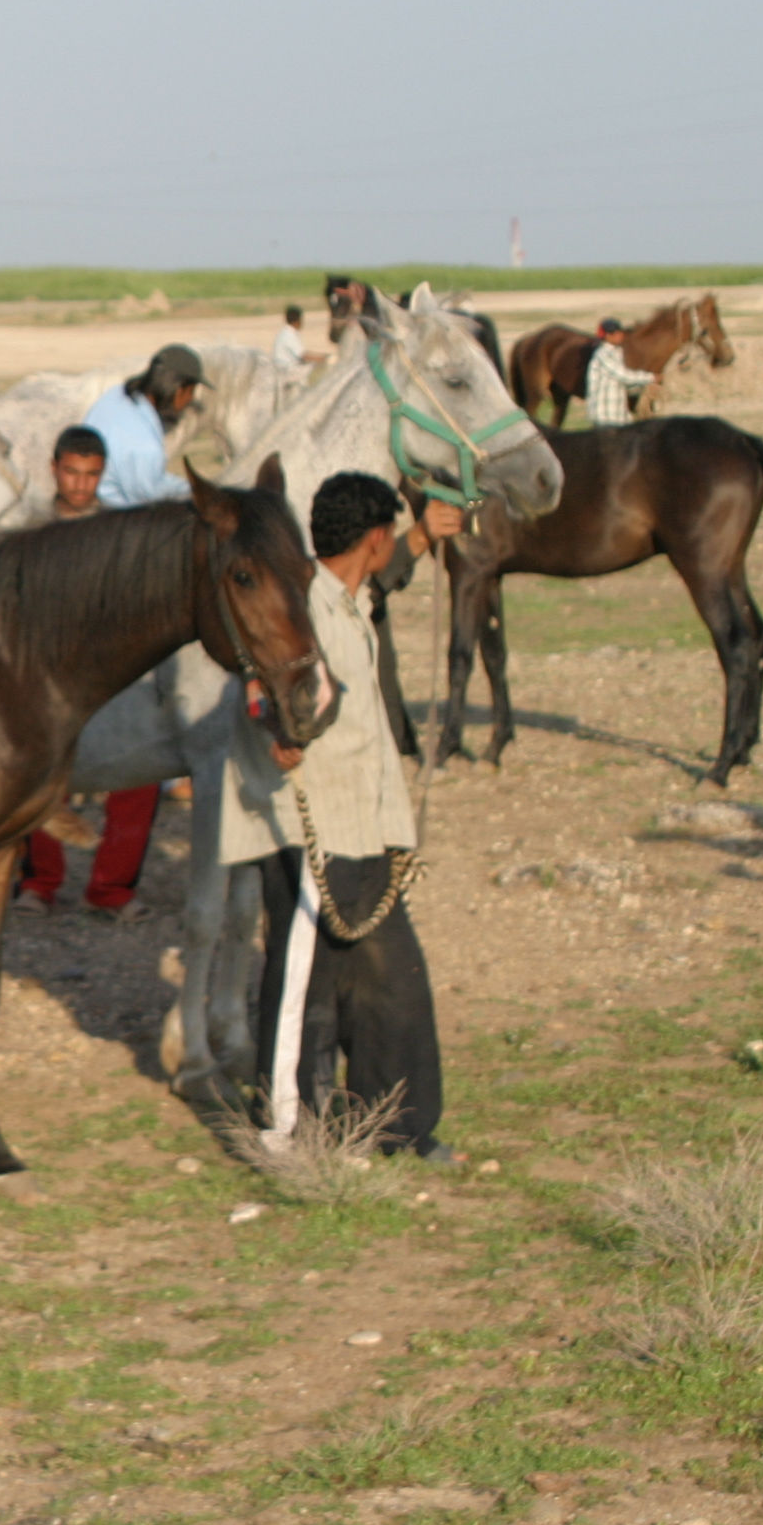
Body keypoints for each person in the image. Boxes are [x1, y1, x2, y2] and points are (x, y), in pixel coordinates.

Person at [218, 473, 465, 1165]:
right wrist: (274, 729)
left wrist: (426, 536)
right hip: (311, 827)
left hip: (366, 825)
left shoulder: (350, 600)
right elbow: (255, 678)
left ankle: (400, 1127)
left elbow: (380, 582)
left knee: (392, 977)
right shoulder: (299, 605)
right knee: (305, 984)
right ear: (376, 539)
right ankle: (286, 1132)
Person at [16, 426, 157, 918]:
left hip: (108, 675)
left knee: (140, 773)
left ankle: (111, 890)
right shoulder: (27, 530)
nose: (80, 485)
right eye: (72, 473)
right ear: (54, 469)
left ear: (103, 474)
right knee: (35, 775)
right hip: (43, 677)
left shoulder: (119, 533)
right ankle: (39, 883)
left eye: (91, 475)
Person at [77, 342, 206, 509]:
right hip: (108, 513)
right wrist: (198, 491)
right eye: (191, 392)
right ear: (178, 389)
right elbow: (149, 497)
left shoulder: (116, 394)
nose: (190, 400)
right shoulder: (145, 444)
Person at [584, 316, 653, 428]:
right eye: (615, 333)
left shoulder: (618, 353)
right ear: (607, 336)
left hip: (618, 415)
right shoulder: (603, 354)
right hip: (605, 416)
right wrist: (651, 378)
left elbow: (625, 383)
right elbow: (623, 376)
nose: (620, 335)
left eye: (620, 332)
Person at [272, 304, 313, 387]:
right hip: (287, 371)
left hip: (283, 369)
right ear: (297, 321)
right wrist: (326, 358)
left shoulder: (285, 332)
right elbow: (304, 355)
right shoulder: (289, 334)